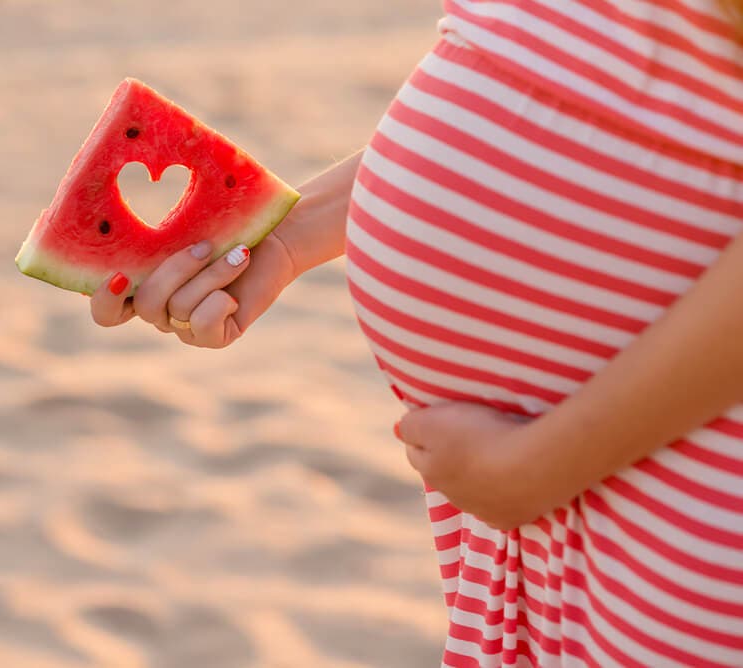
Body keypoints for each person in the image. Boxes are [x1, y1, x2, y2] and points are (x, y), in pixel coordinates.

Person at [89, 1, 743, 665]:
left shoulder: (547, 467)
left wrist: (544, 464)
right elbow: (558, 77)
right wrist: (285, 231)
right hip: (540, 482)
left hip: (670, 456)